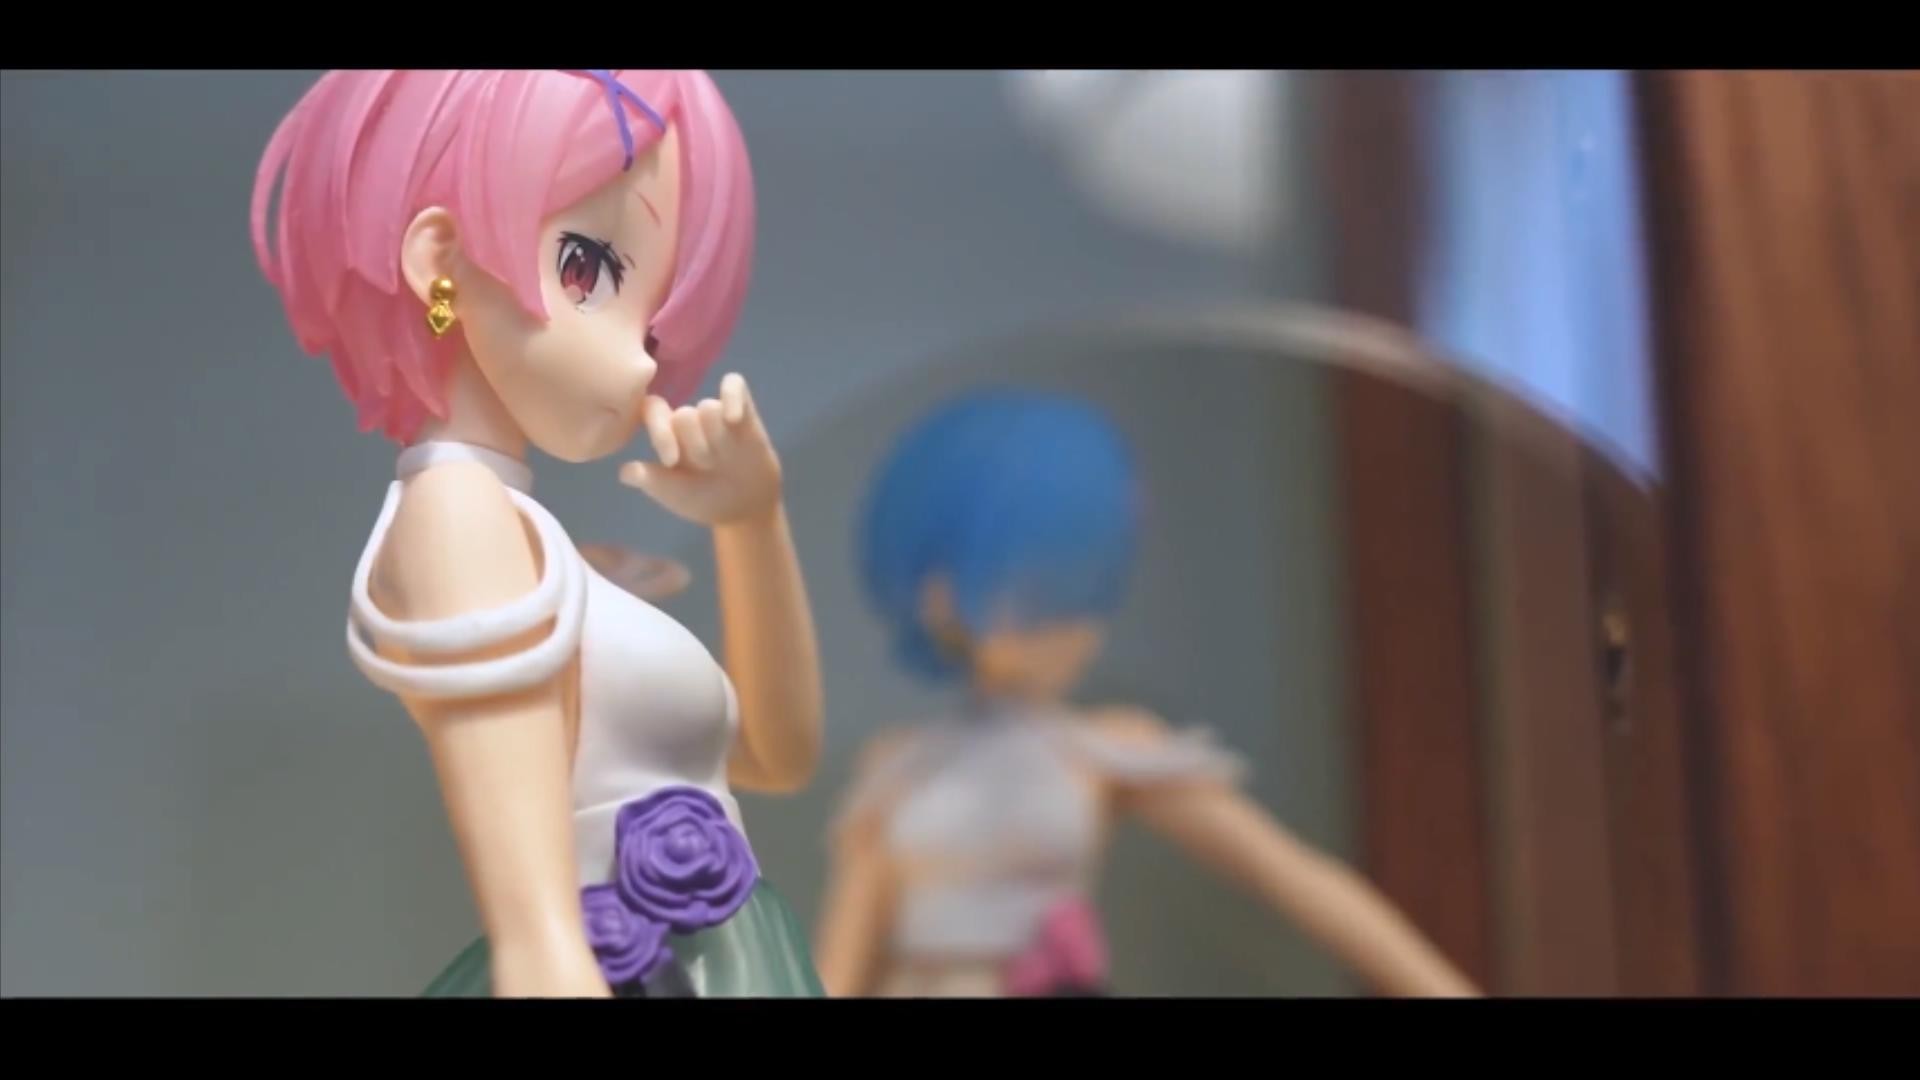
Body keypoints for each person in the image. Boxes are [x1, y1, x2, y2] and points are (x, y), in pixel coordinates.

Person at [250, 70, 825, 998]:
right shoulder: (455, 514)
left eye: (656, 322)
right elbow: (534, 936)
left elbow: (775, 757)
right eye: (587, 268)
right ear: (440, 259)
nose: (637, 359)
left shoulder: (521, 537)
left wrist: (750, 522)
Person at [814, 389, 1481, 997]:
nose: (1068, 629)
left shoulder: (1105, 750)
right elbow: (840, 963)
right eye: (1032, 590)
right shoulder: (897, 768)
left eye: (1078, 591)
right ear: (937, 590)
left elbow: (1296, 879)